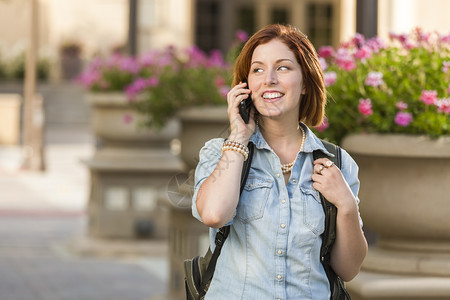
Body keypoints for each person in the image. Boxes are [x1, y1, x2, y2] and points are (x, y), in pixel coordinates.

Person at [191, 24, 368, 299]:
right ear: (246, 86)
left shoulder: (338, 164)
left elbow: (348, 269)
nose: (269, 79)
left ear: (307, 83)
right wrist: (239, 136)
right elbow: (214, 215)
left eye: (283, 68)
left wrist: (345, 205)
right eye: (258, 69)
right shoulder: (220, 153)